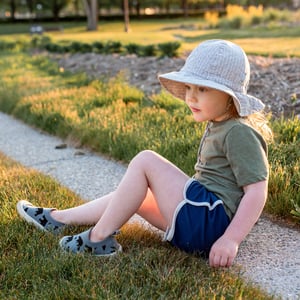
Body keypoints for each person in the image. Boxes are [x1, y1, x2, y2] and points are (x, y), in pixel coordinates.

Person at [17, 39, 272, 268]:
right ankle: (59, 219)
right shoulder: (220, 122)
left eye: (202, 90)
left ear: (229, 96)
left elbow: (257, 191)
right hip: (200, 220)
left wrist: (230, 239)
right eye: (189, 88)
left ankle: (97, 239)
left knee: (145, 160)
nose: (191, 97)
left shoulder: (238, 131)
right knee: (135, 193)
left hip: (209, 222)